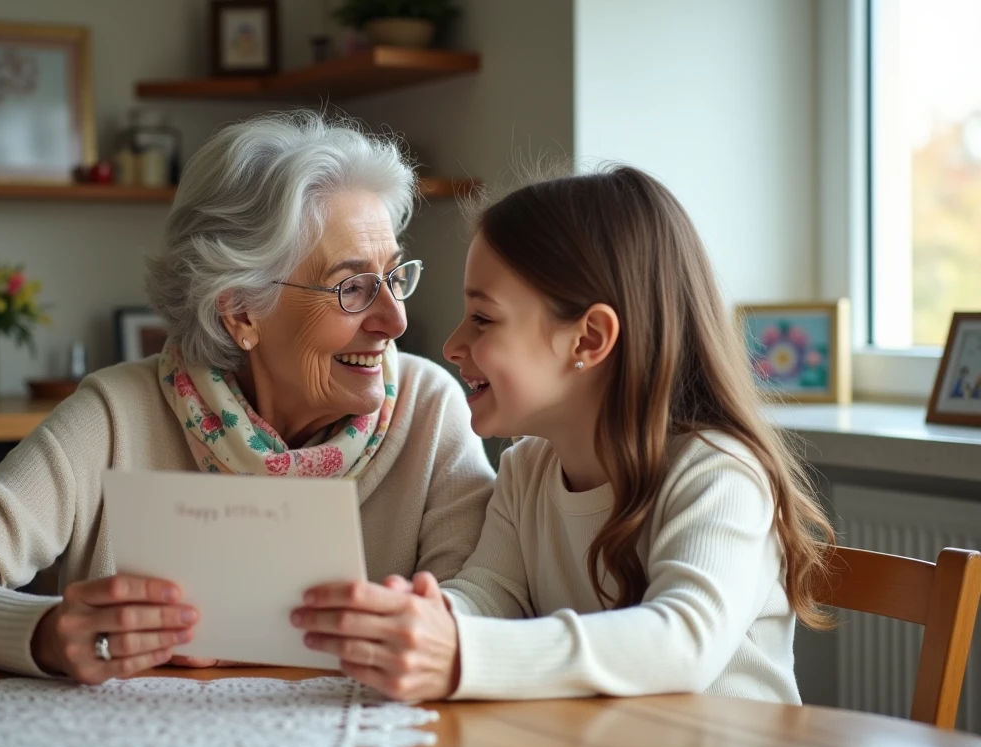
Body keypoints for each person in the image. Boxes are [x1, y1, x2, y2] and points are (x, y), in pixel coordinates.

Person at [0, 111, 494, 684]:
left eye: (394, 277)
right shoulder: (117, 416)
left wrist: (427, 628)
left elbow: (487, 601)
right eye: (352, 287)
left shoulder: (427, 408)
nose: (396, 320)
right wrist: (44, 633)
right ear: (240, 311)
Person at [293, 166, 836, 704]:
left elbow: (683, 641)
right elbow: (486, 595)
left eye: (483, 318)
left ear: (588, 339)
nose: (452, 345)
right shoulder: (527, 471)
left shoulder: (719, 472)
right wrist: (412, 624)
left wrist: (461, 653)